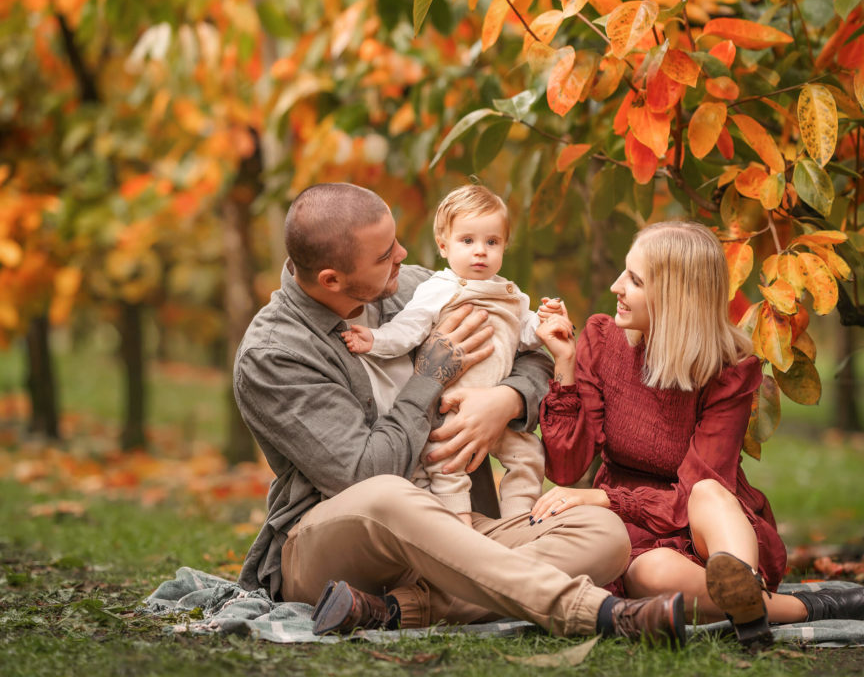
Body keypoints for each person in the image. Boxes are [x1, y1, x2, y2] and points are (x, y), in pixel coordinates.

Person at [232, 183, 689, 644]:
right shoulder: (275, 353)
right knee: (388, 494)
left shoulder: (410, 287)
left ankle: (394, 611)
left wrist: (505, 401)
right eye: (385, 253)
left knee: (604, 533)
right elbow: (364, 473)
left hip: (456, 522)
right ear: (332, 279)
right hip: (337, 548)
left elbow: (526, 349)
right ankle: (597, 612)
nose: (404, 254)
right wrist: (430, 376)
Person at [534, 221, 864, 648]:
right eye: (625, 272)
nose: (618, 286)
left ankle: (741, 583)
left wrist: (604, 497)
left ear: (675, 295)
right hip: (633, 532)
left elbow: (696, 489)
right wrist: (563, 362)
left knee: (709, 492)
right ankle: (802, 607)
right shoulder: (601, 341)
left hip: (704, 523)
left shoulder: (729, 371)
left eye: (635, 280)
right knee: (650, 574)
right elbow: (565, 466)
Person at [341, 185, 555, 526]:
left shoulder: (512, 294)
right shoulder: (439, 289)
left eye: (492, 242)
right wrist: (375, 340)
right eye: (467, 241)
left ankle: (521, 520)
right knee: (447, 464)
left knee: (528, 454)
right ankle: (458, 524)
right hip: (451, 404)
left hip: (494, 408)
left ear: (504, 246)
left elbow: (525, 338)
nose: (480, 252)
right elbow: (408, 329)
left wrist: (545, 325)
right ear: (444, 246)